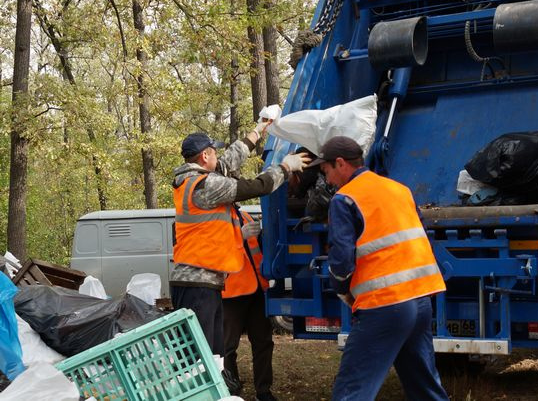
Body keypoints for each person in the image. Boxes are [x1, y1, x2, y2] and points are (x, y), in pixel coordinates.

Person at [310, 136, 449, 401]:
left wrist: (340, 288)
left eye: (326, 171)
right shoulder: (399, 188)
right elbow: (423, 238)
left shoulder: (344, 199)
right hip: (421, 299)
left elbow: (341, 258)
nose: (327, 180)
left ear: (340, 164)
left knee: (352, 390)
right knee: (425, 387)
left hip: (384, 304)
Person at [170, 123, 309, 362]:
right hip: (198, 284)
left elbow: (228, 162)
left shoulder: (194, 180)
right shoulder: (205, 185)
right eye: (214, 151)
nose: (218, 156)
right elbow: (256, 186)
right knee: (201, 356)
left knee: (214, 354)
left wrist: (258, 130)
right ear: (205, 156)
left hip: (201, 282)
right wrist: (286, 167)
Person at [221, 208, 275, 401]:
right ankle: (230, 390)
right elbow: (214, 249)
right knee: (227, 347)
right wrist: (239, 236)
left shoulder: (244, 216)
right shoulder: (214, 219)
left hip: (257, 290)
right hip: (231, 293)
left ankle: (264, 391)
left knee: (263, 343)